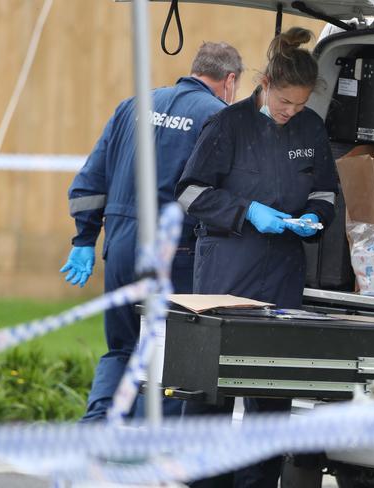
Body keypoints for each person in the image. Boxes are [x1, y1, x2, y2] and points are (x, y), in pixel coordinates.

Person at [175, 27, 337, 487]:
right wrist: (247, 212)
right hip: (226, 274)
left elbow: (326, 191)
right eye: (285, 101)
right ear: (265, 83)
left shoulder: (311, 129)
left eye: (300, 105)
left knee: (271, 394)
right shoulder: (226, 126)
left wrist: (313, 217)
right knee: (213, 392)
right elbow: (188, 193)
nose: (291, 112)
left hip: (283, 277)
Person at [60, 42, 244, 422]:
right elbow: (222, 196)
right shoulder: (219, 117)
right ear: (229, 81)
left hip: (121, 247)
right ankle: (145, 451)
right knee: (166, 355)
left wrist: (84, 240)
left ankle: (97, 428)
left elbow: (88, 184)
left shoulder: (133, 105)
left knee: (122, 347)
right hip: (174, 255)